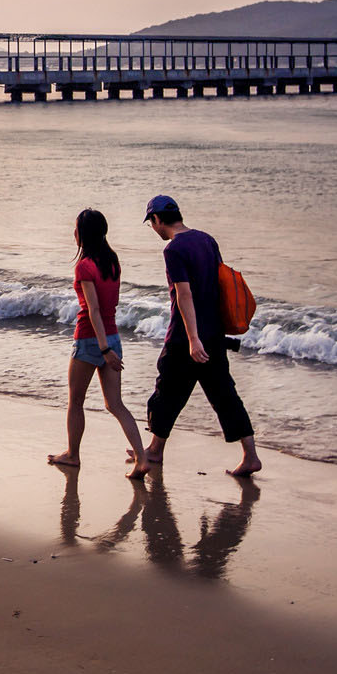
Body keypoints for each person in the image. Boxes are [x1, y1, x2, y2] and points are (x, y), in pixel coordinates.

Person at [137, 195, 261, 477]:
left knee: (166, 391)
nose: (153, 229)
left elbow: (184, 294)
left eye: (151, 223)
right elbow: (219, 282)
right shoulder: (207, 240)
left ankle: (155, 450)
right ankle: (250, 456)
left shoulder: (174, 250)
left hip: (186, 337)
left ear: (157, 220)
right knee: (225, 395)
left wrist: (193, 339)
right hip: (214, 333)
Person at [47, 208, 150, 476]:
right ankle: (141, 458)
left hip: (91, 339)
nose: (73, 232)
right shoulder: (112, 260)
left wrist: (103, 349)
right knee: (115, 404)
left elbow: (92, 310)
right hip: (113, 336)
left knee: (76, 401)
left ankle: (72, 455)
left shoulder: (84, 265)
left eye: (76, 228)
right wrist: (109, 347)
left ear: (84, 233)